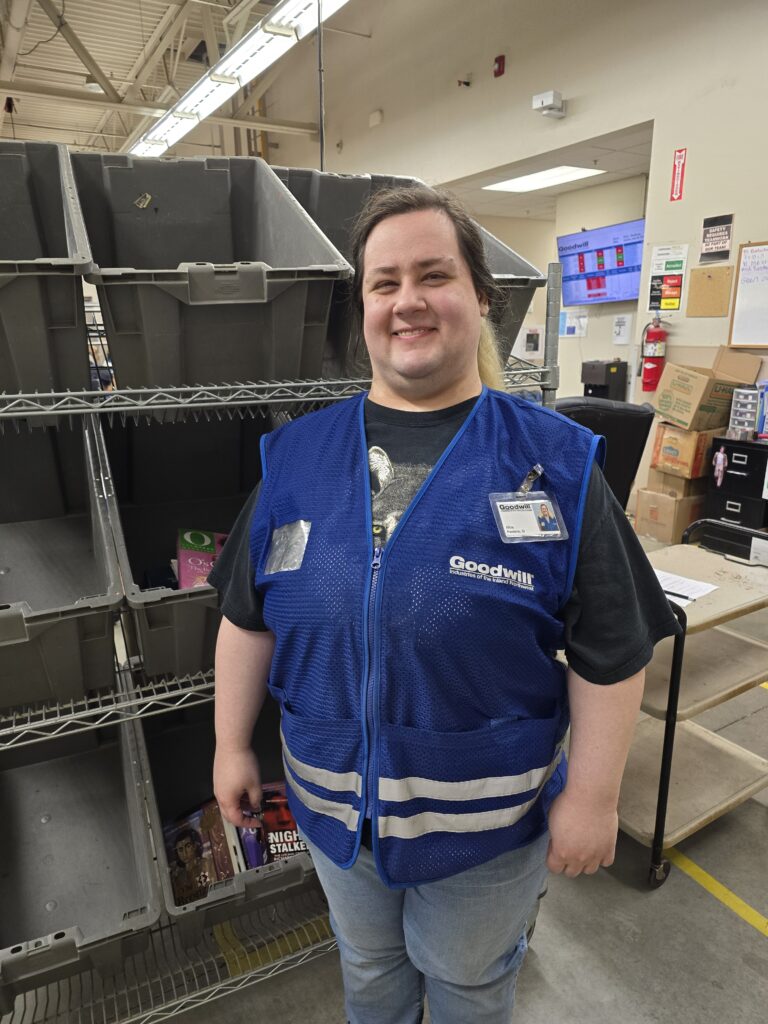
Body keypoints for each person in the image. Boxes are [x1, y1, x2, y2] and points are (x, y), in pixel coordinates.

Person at [210, 185, 680, 1024]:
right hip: (332, 817)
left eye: (434, 274)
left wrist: (595, 797)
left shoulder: (556, 465)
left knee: (466, 985)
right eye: (383, 283)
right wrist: (227, 746)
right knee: (369, 971)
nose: (408, 301)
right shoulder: (295, 458)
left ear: (480, 297)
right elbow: (246, 617)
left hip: (486, 831)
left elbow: (614, 648)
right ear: (363, 308)